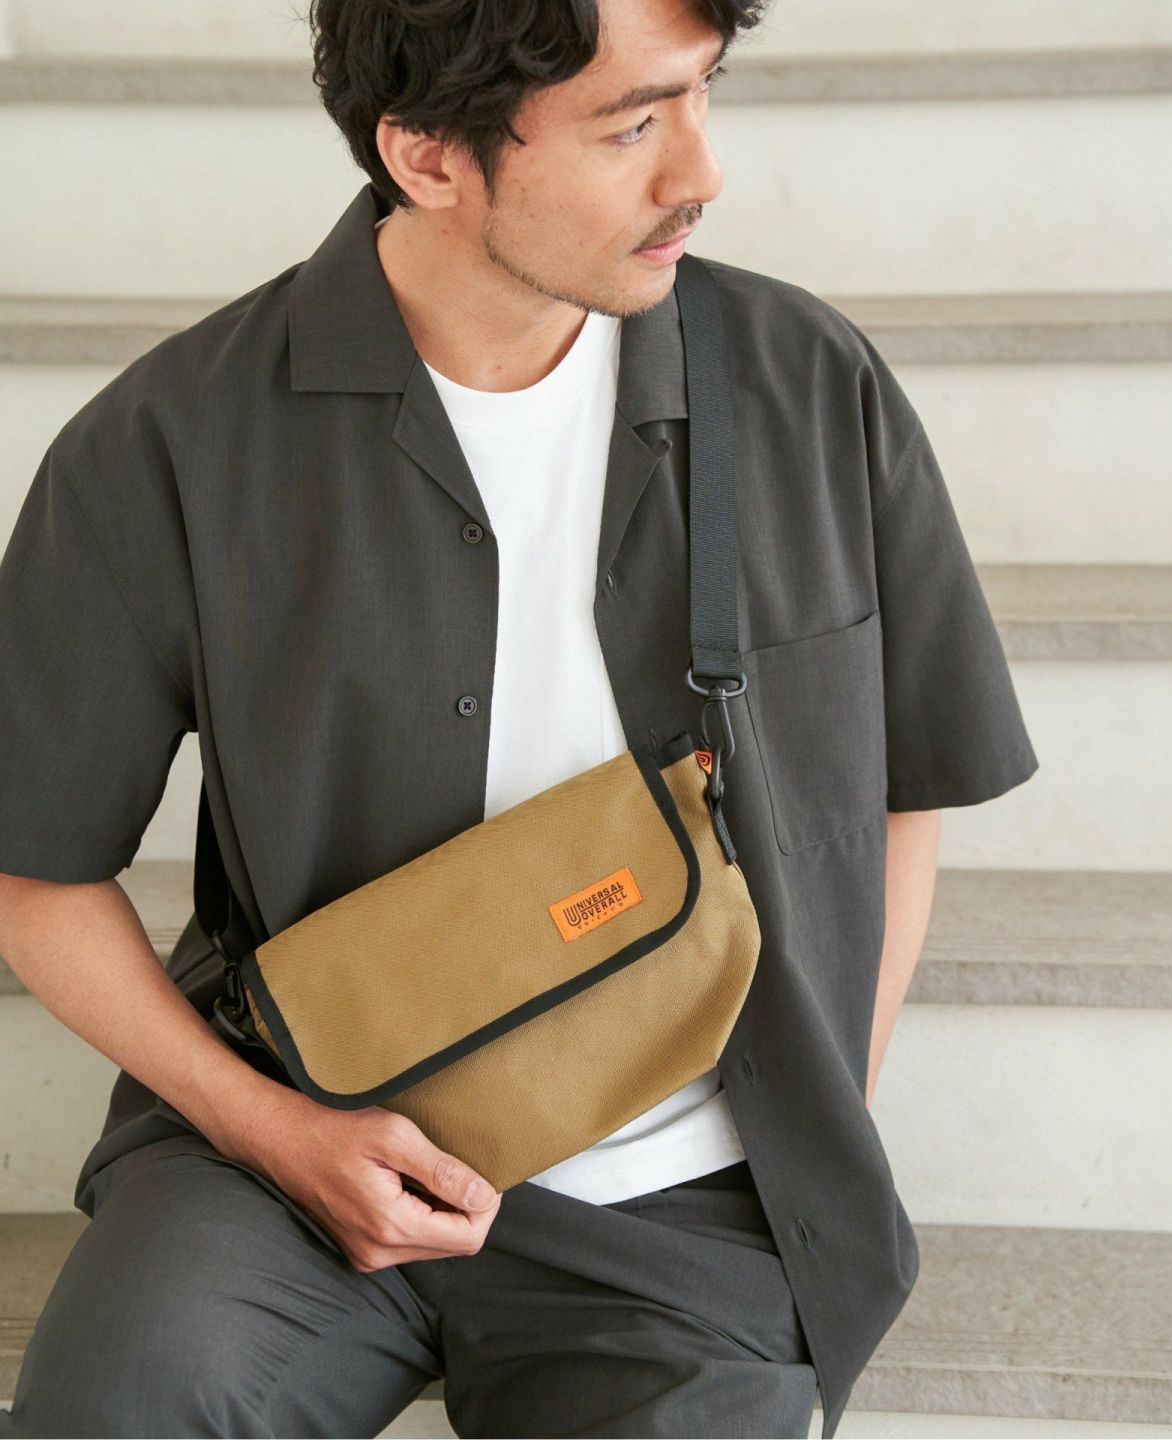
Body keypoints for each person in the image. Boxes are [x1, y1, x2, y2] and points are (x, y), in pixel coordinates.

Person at [0, 0, 1039, 1435]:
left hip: (690, 1211)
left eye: (701, 95)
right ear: (429, 155)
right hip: (283, 1156)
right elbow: (31, 867)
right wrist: (277, 1134)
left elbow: (901, 784)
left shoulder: (807, 384)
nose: (701, 171)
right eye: (632, 125)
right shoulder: (173, 438)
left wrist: (820, 1097)